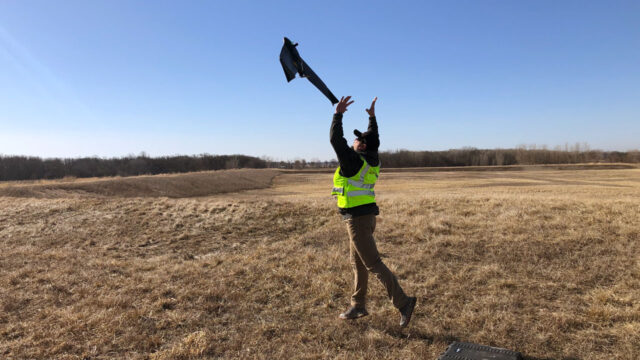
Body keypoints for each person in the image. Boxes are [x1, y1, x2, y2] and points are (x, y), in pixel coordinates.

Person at [330, 96, 417, 327]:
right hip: (364, 218)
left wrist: (337, 115)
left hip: (358, 220)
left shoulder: (353, 162)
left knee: (373, 263)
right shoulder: (372, 161)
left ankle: (403, 302)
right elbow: (373, 140)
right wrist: (372, 118)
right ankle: (358, 306)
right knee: (357, 263)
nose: (354, 141)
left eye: (358, 139)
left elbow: (335, 140)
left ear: (363, 146)